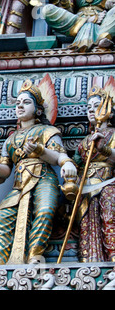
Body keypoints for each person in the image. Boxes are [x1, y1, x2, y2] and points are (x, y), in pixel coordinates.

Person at [0, 78, 77, 265]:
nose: (20, 106)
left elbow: (59, 156)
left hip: (43, 179)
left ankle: (35, 256)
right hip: (19, 185)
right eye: (18, 103)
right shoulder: (10, 140)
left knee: (44, 211)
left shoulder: (47, 131)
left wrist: (59, 160)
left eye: (26, 102)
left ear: (38, 109)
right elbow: (4, 172)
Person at [72, 82, 115, 262]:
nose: (91, 110)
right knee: (86, 221)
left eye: (96, 106)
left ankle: (112, 255)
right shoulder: (84, 141)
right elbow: (75, 163)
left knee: (108, 215)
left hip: (108, 182)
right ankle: (90, 257)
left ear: (110, 112)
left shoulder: (113, 134)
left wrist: (103, 149)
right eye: (88, 107)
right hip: (87, 185)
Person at [42, 0, 115, 51]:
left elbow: (111, 4)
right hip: (77, 20)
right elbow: (70, 10)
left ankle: (103, 37)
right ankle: (94, 30)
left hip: (103, 19)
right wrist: (64, 0)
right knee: (48, 10)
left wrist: (111, 2)